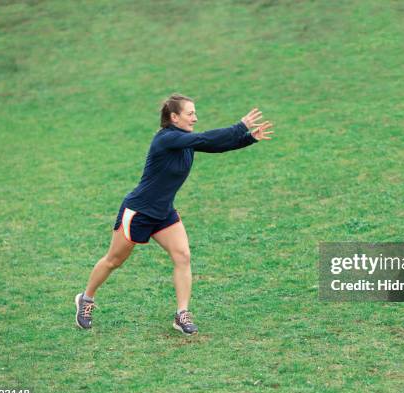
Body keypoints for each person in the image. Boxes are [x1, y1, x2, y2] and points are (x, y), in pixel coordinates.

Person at [74, 94, 273, 335]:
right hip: (139, 211)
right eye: (190, 114)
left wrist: (248, 138)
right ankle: (85, 299)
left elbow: (214, 144)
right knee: (114, 260)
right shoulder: (166, 139)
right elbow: (207, 137)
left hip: (163, 212)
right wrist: (240, 125)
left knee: (182, 257)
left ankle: (182, 314)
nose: (195, 118)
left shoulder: (186, 140)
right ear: (174, 117)